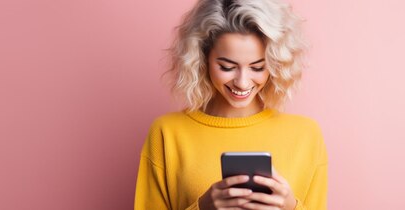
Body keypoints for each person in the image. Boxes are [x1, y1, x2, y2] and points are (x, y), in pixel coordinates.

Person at [134, 0, 327, 209]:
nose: (242, 82)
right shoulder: (167, 133)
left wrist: (292, 207)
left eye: (257, 67)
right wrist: (203, 207)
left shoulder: (306, 135)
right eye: (227, 67)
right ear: (203, 59)